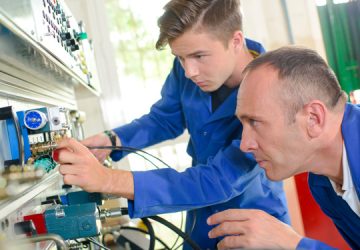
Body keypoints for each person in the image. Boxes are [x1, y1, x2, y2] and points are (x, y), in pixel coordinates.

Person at [54, 0, 290, 248]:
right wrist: (112, 140)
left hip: (253, 226)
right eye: (180, 58)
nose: (189, 71)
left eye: (199, 56)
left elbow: (219, 180)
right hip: (200, 219)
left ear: (235, 40)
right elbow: (164, 120)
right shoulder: (190, 70)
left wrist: (109, 179)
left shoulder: (271, 93)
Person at [207, 46, 360, 250]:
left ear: (313, 119)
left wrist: (290, 243)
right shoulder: (322, 183)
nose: (244, 145)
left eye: (254, 121)